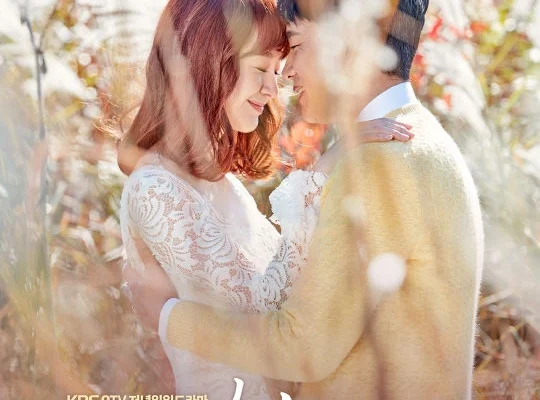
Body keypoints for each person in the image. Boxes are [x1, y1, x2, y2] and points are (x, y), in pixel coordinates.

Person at [134, 0, 485, 399]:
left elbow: (303, 349)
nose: (286, 71)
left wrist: (167, 316)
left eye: (297, 45)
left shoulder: (380, 163)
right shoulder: (419, 141)